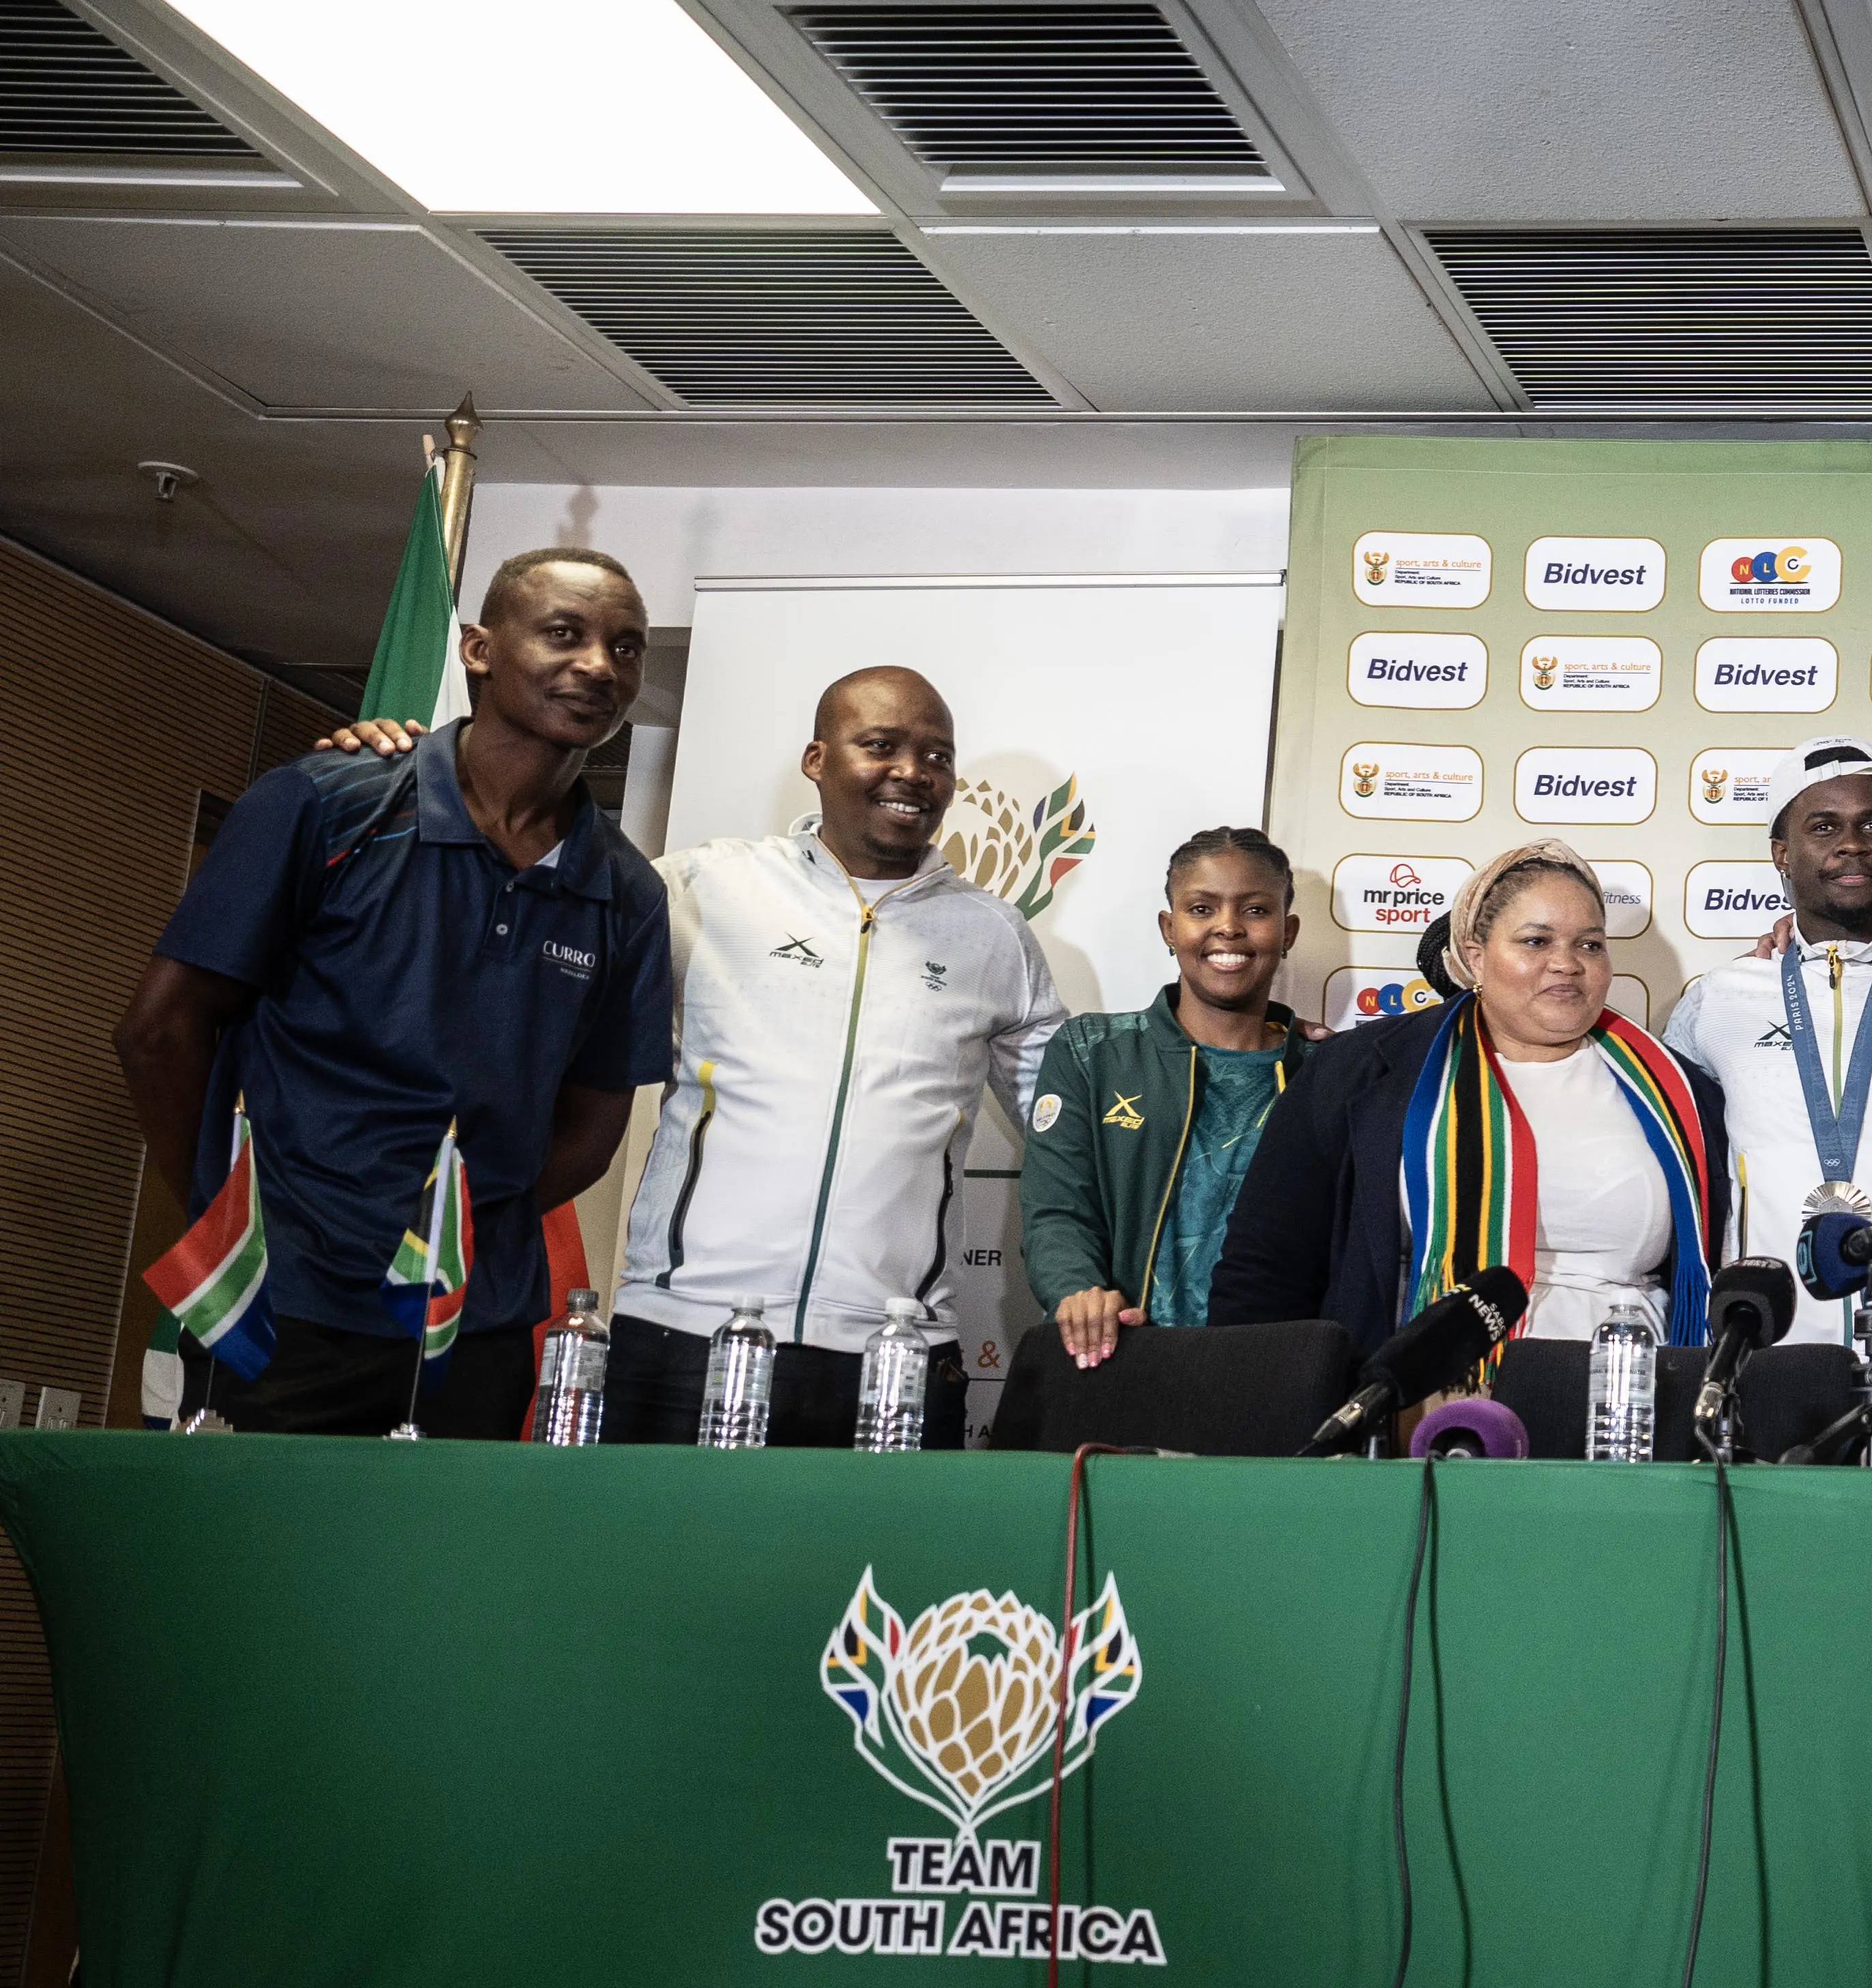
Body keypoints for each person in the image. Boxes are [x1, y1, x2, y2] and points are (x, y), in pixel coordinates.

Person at [115, 549, 671, 1439]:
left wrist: (460, 1225)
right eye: (564, 634)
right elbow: (160, 1033)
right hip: (279, 1298)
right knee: (251, 1532)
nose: (600, 666)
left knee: (440, 1538)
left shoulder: (630, 891)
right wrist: (226, 1219)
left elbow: (592, 1129)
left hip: (474, 1321)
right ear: (479, 649)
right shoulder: (326, 801)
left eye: (627, 647)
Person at [602, 668, 1067, 1448]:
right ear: (817, 760)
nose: (912, 772)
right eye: (881, 745)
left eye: (937, 756)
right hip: (683, 1332)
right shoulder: (701, 888)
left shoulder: (992, 935)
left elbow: (1066, 1122)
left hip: (896, 1352)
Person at [1213, 840, 1723, 1356]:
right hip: (1421, 1388)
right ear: (1476, 958)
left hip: (1623, 1386)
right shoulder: (1360, 1070)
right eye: (1536, 941)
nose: (1566, 963)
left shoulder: (1677, 1091)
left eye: (1590, 945)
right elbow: (1267, 1265)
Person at [1663, 735, 1872, 1352]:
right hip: (1762, 1356)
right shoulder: (1716, 1003)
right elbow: (1684, 1194)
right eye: (1823, 827)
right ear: (1782, 854)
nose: (1852, 843)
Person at [1022, 827, 1308, 1369]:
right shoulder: (1093, 1052)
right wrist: (1078, 1291)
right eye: (1201, 909)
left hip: (1270, 1369)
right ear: (1169, 928)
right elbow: (1059, 1212)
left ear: (1287, 931)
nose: (1228, 926)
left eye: (1255, 910)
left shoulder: (1327, 1072)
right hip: (1119, 1358)